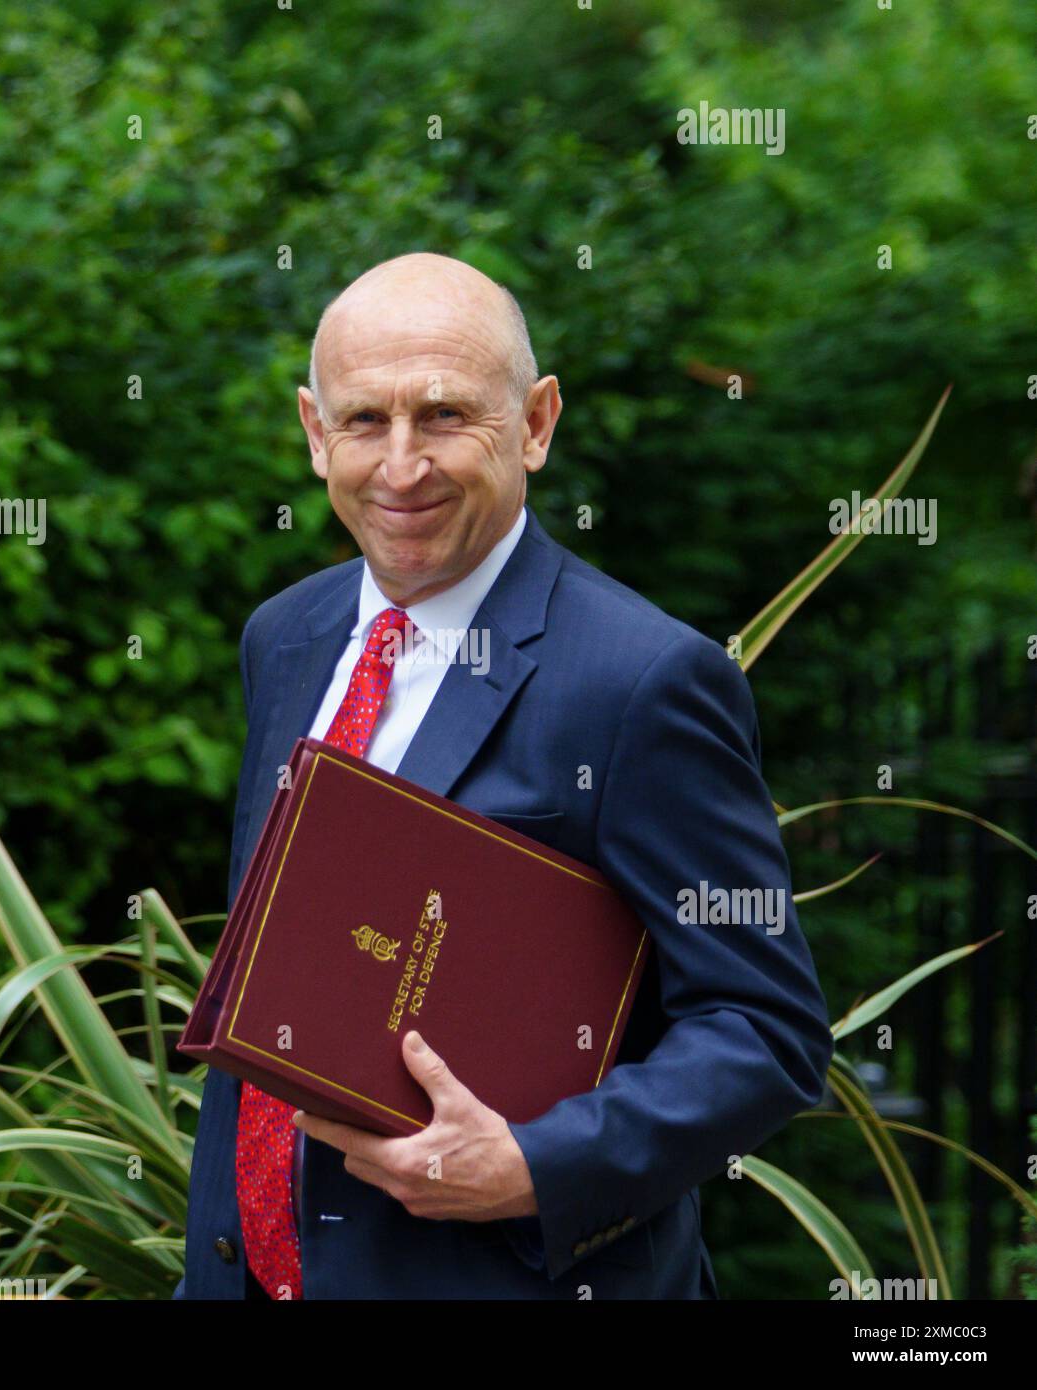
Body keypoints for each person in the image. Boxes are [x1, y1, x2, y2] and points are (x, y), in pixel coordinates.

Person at [175, 252, 834, 1300]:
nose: (399, 466)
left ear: (534, 422)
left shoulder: (639, 678)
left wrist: (534, 1167)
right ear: (312, 432)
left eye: (442, 416)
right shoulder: (285, 637)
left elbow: (765, 1028)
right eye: (361, 421)